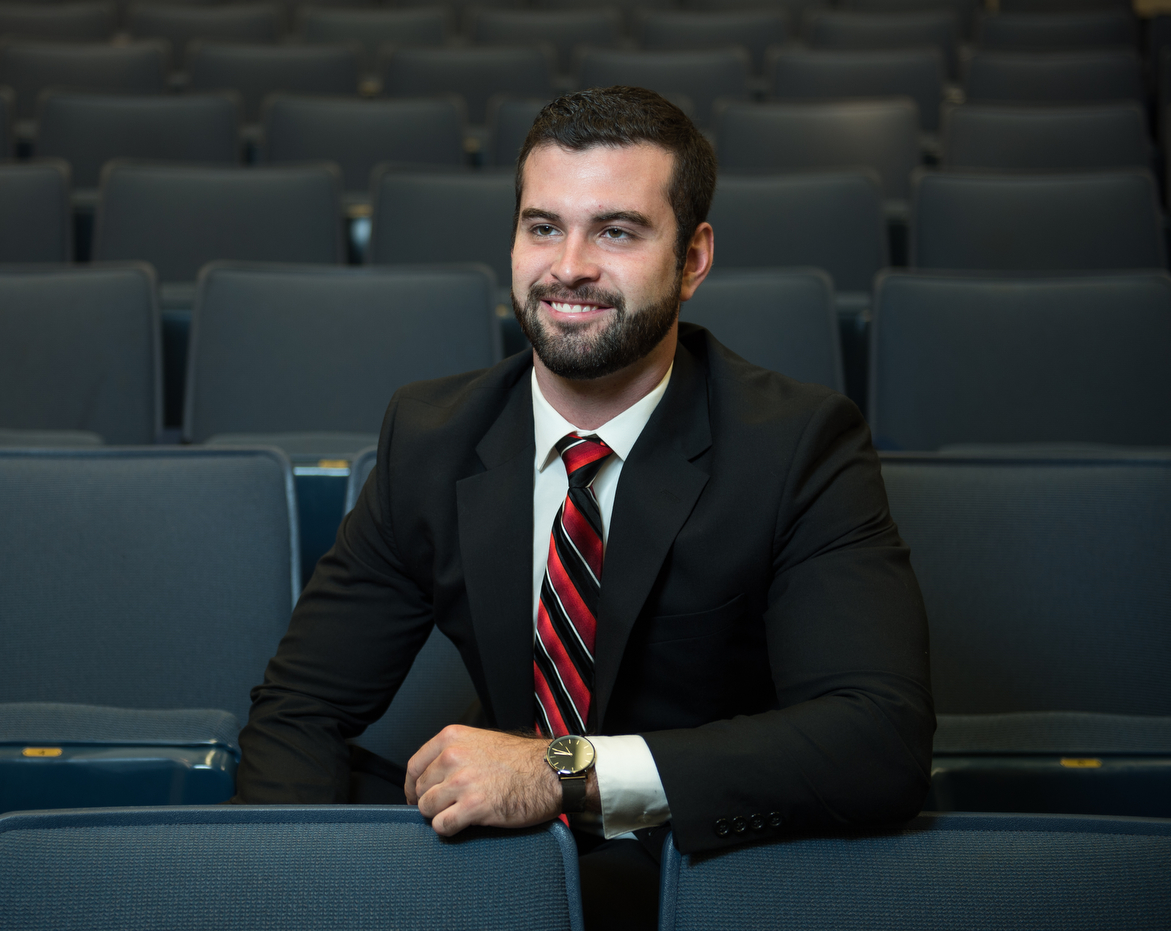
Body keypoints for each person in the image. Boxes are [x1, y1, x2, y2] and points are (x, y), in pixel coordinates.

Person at [232, 86, 934, 929]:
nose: (569, 265)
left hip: (703, 877)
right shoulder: (432, 436)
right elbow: (299, 712)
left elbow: (878, 737)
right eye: (542, 226)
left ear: (694, 258)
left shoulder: (799, 446)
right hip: (493, 878)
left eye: (617, 230)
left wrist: (566, 770)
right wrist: (302, 896)